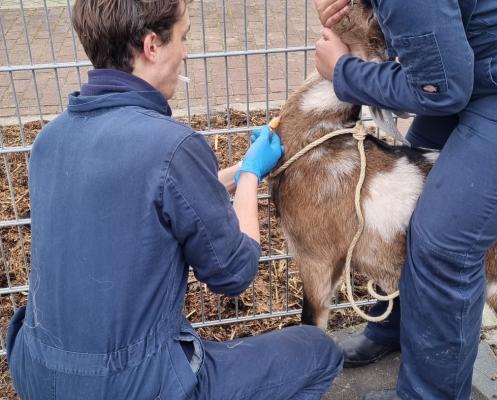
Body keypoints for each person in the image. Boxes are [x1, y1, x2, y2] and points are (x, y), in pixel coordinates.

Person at [6, 0, 343, 399]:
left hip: (37, 371)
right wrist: (251, 177)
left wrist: (238, 172)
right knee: (318, 351)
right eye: (182, 38)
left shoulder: (51, 139)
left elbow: (151, 197)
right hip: (132, 385)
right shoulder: (172, 145)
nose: (185, 52)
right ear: (152, 46)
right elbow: (234, 272)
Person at [313, 0, 497, 399]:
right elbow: (428, 42)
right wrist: (357, 25)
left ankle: (429, 394)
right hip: (481, 64)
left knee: (444, 244)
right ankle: (395, 330)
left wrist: (345, 72)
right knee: (408, 200)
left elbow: (437, 90)